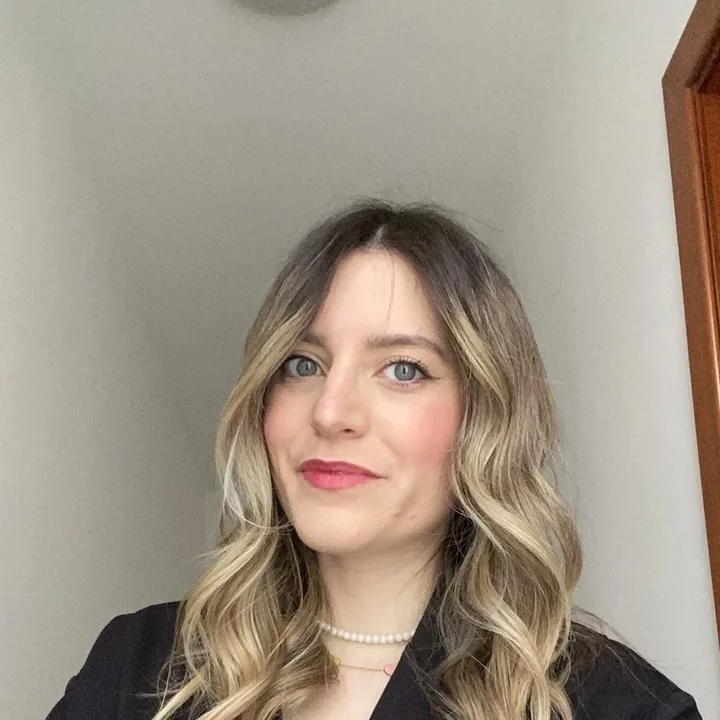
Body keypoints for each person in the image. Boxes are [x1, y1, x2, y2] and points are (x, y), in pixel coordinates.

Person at [47, 200, 703, 720]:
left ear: (486, 417)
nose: (330, 411)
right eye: (302, 364)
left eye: (403, 369)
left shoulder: (616, 705)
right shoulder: (137, 667)